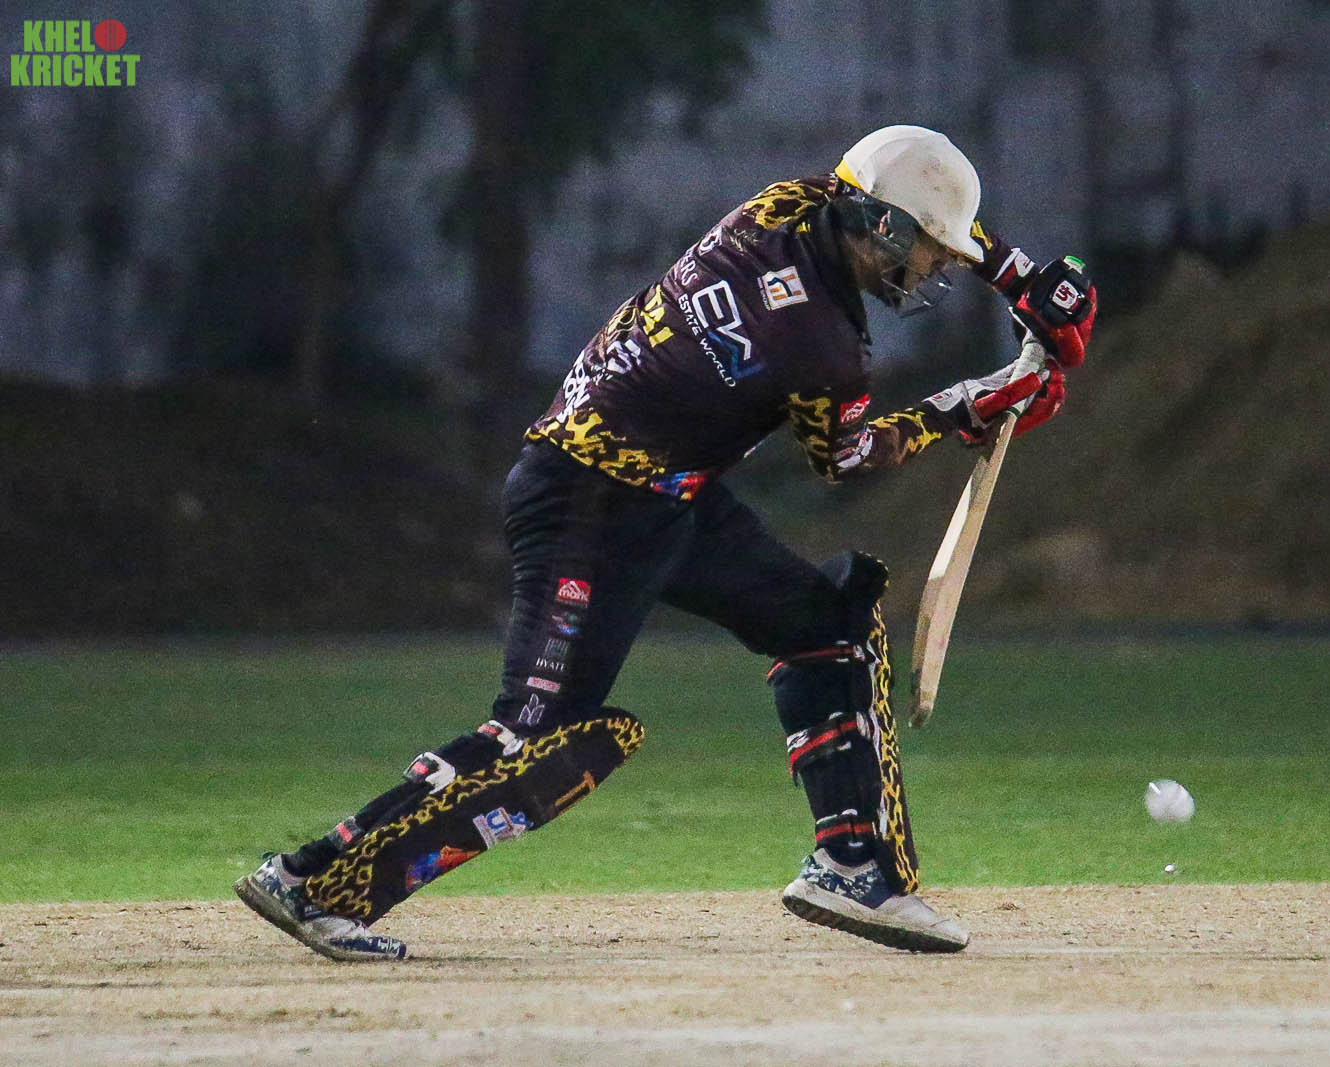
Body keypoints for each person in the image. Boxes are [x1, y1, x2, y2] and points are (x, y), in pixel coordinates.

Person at [234, 124, 1096, 960]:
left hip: (667, 495)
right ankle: (316, 882)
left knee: (829, 624)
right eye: (932, 251)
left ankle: (854, 868)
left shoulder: (785, 206)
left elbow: (898, 194)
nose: (937, 267)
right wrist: (975, 402)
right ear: (883, 227)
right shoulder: (819, 342)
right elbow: (847, 458)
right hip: (588, 505)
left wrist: (1020, 276)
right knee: (538, 741)